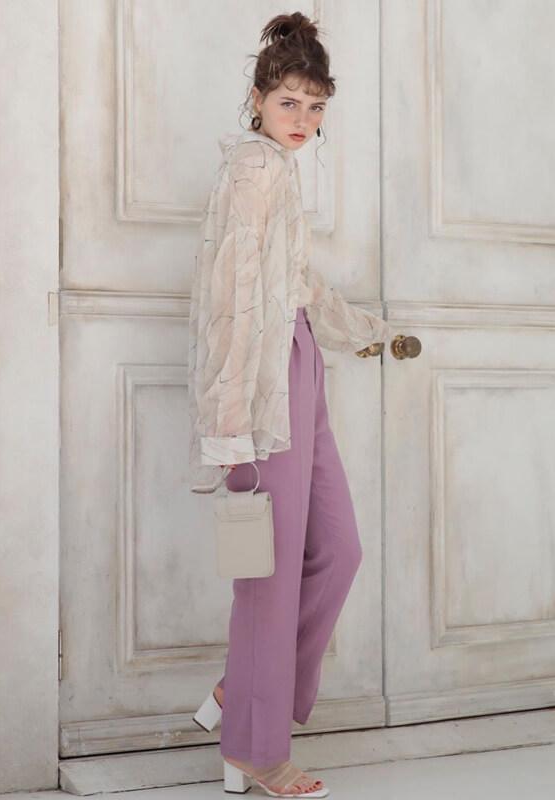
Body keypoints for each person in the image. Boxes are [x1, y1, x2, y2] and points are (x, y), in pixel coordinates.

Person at [188, 12, 396, 798]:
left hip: (300, 370)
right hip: (261, 384)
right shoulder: (252, 170)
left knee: (338, 550)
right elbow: (231, 297)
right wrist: (228, 422)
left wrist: (367, 331)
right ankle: (256, 748)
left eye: (315, 106)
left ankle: (240, 695)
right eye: (289, 103)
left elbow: (296, 285)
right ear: (257, 99)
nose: (303, 118)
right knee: (266, 578)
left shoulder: (280, 169)